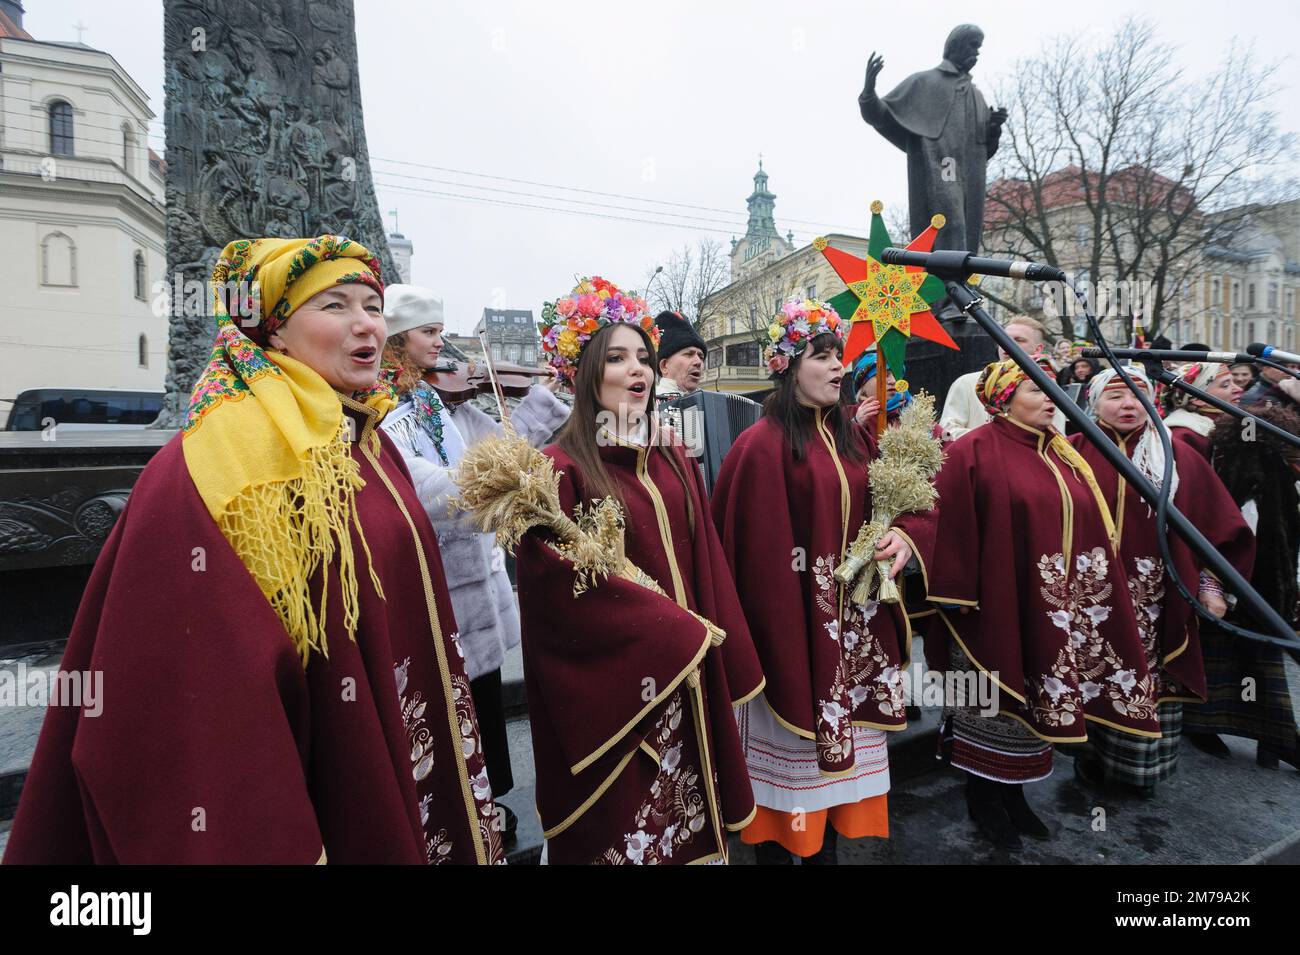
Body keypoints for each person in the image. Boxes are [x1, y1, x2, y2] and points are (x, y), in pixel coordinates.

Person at [4, 236, 502, 864]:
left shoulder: (362, 438)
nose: (365, 324)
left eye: (373, 305)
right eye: (334, 304)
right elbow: (197, 708)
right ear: (272, 329)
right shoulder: (221, 464)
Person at [514, 276, 764, 864]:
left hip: (689, 674)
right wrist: (673, 633)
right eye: (617, 358)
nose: (640, 371)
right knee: (631, 830)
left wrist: (718, 640)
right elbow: (555, 592)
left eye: (645, 358)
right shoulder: (556, 468)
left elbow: (705, 558)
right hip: (618, 690)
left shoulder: (672, 454)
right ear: (583, 374)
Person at [712, 298, 934, 865]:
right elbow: (751, 561)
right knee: (789, 787)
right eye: (821, 355)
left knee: (833, 797)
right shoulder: (757, 448)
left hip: (852, 633)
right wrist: (786, 637)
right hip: (792, 637)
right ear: (787, 365)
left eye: (840, 354)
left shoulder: (855, 440)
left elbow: (906, 504)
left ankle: (825, 853)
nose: (838, 366)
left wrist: (904, 538)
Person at [922, 358, 1160, 851]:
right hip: (991, 611)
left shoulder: (1062, 453)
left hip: (1051, 608)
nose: (1051, 397)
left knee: (1037, 704)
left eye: (1052, 387)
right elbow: (947, 527)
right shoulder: (972, 452)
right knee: (993, 706)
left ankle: (1015, 796)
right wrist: (960, 595)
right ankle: (983, 797)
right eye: (1036, 388)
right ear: (1004, 398)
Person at [378, 284, 569, 843]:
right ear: (397, 341)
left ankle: (491, 807)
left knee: (483, 709)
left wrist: (535, 400)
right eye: (429, 333)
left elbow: (511, 448)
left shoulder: (442, 403)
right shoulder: (390, 412)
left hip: (477, 590)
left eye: (440, 332)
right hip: (440, 589)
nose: (442, 344)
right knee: (443, 713)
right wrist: (488, 480)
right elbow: (427, 488)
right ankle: (454, 820)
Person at [1068, 367, 1254, 796]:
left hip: (1154, 601)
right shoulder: (1071, 453)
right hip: (1088, 600)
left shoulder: (1175, 455)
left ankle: (1137, 775)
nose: (1128, 404)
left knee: (1147, 682)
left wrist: (1210, 585)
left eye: (1138, 395)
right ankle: (1090, 761)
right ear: (1093, 403)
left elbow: (1220, 527)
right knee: (1091, 677)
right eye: (1115, 396)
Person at [1184, 404, 1300, 771]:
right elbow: (1244, 528)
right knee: (1252, 662)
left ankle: (1271, 739)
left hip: (1254, 585)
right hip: (1250, 585)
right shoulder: (1258, 470)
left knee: (1250, 662)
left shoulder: (1259, 467)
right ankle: (1274, 740)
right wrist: (1224, 584)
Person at [939, 315, 1064, 441]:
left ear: (1038, 349)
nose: (1007, 344)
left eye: (1019, 340)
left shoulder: (1049, 388)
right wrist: (992, 442)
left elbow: (1057, 437)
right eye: (1003, 339)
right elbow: (947, 431)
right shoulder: (966, 383)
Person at [1161, 361, 1244, 460]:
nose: (1239, 389)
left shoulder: (1230, 420)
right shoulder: (1183, 434)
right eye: (1225, 385)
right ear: (1198, 400)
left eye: (1234, 382)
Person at [653, 310, 706, 397]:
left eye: (701, 357)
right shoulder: (650, 404)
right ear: (664, 366)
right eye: (689, 354)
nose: (698, 362)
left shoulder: (709, 402)